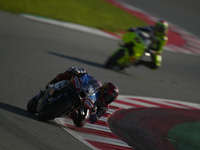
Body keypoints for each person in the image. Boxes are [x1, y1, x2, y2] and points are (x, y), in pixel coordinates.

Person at [46, 67, 119, 127]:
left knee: (80, 123)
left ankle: (70, 112)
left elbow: (93, 120)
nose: (107, 99)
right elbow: (87, 75)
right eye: (107, 96)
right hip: (82, 91)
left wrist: (94, 111)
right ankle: (53, 83)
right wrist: (79, 72)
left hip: (87, 106)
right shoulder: (97, 83)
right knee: (70, 72)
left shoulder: (104, 106)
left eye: (110, 99)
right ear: (104, 90)